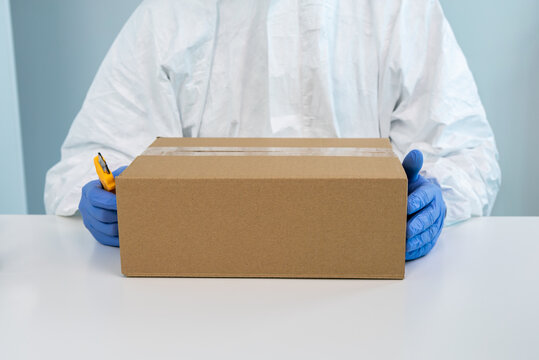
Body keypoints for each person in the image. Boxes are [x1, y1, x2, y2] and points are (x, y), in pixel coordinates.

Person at [44, 0, 501, 260]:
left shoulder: (398, 9)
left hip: (364, 275)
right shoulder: (173, 11)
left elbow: (464, 149)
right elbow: (99, 147)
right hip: (204, 279)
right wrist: (106, 196)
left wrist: (435, 195)